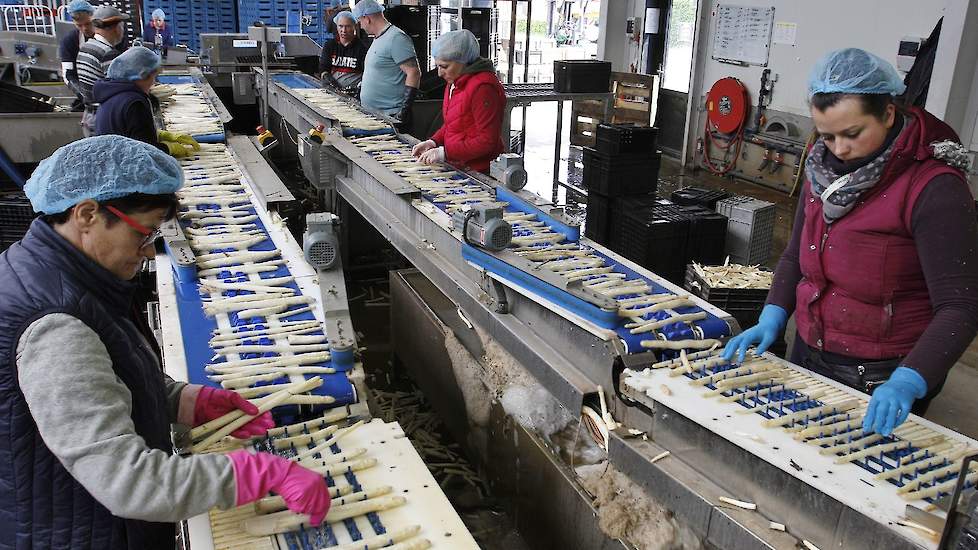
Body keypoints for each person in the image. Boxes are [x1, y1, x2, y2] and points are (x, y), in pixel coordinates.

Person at [0, 136, 332, 549]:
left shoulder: (59, 274)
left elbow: (102, 380)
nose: (145, 253)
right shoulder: (56, 326)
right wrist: (260, 473)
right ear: (87, 214)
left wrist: (180, 400)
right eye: (143, 235)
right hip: (79, 533)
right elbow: (127, 482)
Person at [723, 48, 978, 438]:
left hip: (882, 371)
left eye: (852, 134)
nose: (838, 148)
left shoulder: (933, 188)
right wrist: (773, 315)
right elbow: (796, 254)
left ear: (889, 113)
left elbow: (960, 306)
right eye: (826, 135)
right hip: (810, 347)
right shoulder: (821, 170)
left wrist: (911, 379)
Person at [412, 30, 505, 173]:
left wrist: (445, 152)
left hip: (477, 171)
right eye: (438, 66)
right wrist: (433, 142)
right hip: (457, 165)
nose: (439, 73)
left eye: (444, 66)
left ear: (463, 61)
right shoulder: (455, 81)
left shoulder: (483, 88)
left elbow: (487, 141)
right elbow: (453, 124)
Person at [94, 46, 200, 158]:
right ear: (140, 76)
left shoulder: (112, 95)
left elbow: (129, 133)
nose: (153, 83)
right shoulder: (134, 103)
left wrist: (159, 134)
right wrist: (168, 148)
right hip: (125, 169)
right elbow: (145, 152)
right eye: (152, 78)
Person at [353, 0, 420, 124]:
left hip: (390, 115)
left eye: (360, 21)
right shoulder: (378, 38)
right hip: (375, 114)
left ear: (367, 19)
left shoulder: (396, 38)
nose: (361, 26)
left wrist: (404, 109)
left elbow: (414, 72)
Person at [76, 5, 130, 136]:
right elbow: (120, 91)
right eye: (122, 27)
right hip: (103, 119)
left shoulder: (86, 47)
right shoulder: (108, 54)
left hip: (89, 116)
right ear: (116, 28)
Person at [319, 10, 369, 92]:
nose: (344, 30)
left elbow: (367, 74)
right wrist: (329, 80)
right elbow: (323, 68)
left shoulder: (362, 48)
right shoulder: (330, 45)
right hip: (332, 92)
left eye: (348, 26)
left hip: (354, 93)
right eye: (340, 26)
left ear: (355, 26)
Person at [58, 0, 96, 111]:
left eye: (88, 24)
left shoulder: (108, 35)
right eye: (79, 25)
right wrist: (83, 95)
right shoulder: (70, 41)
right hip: (85, 88)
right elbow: (68, 75)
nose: (85, 29)